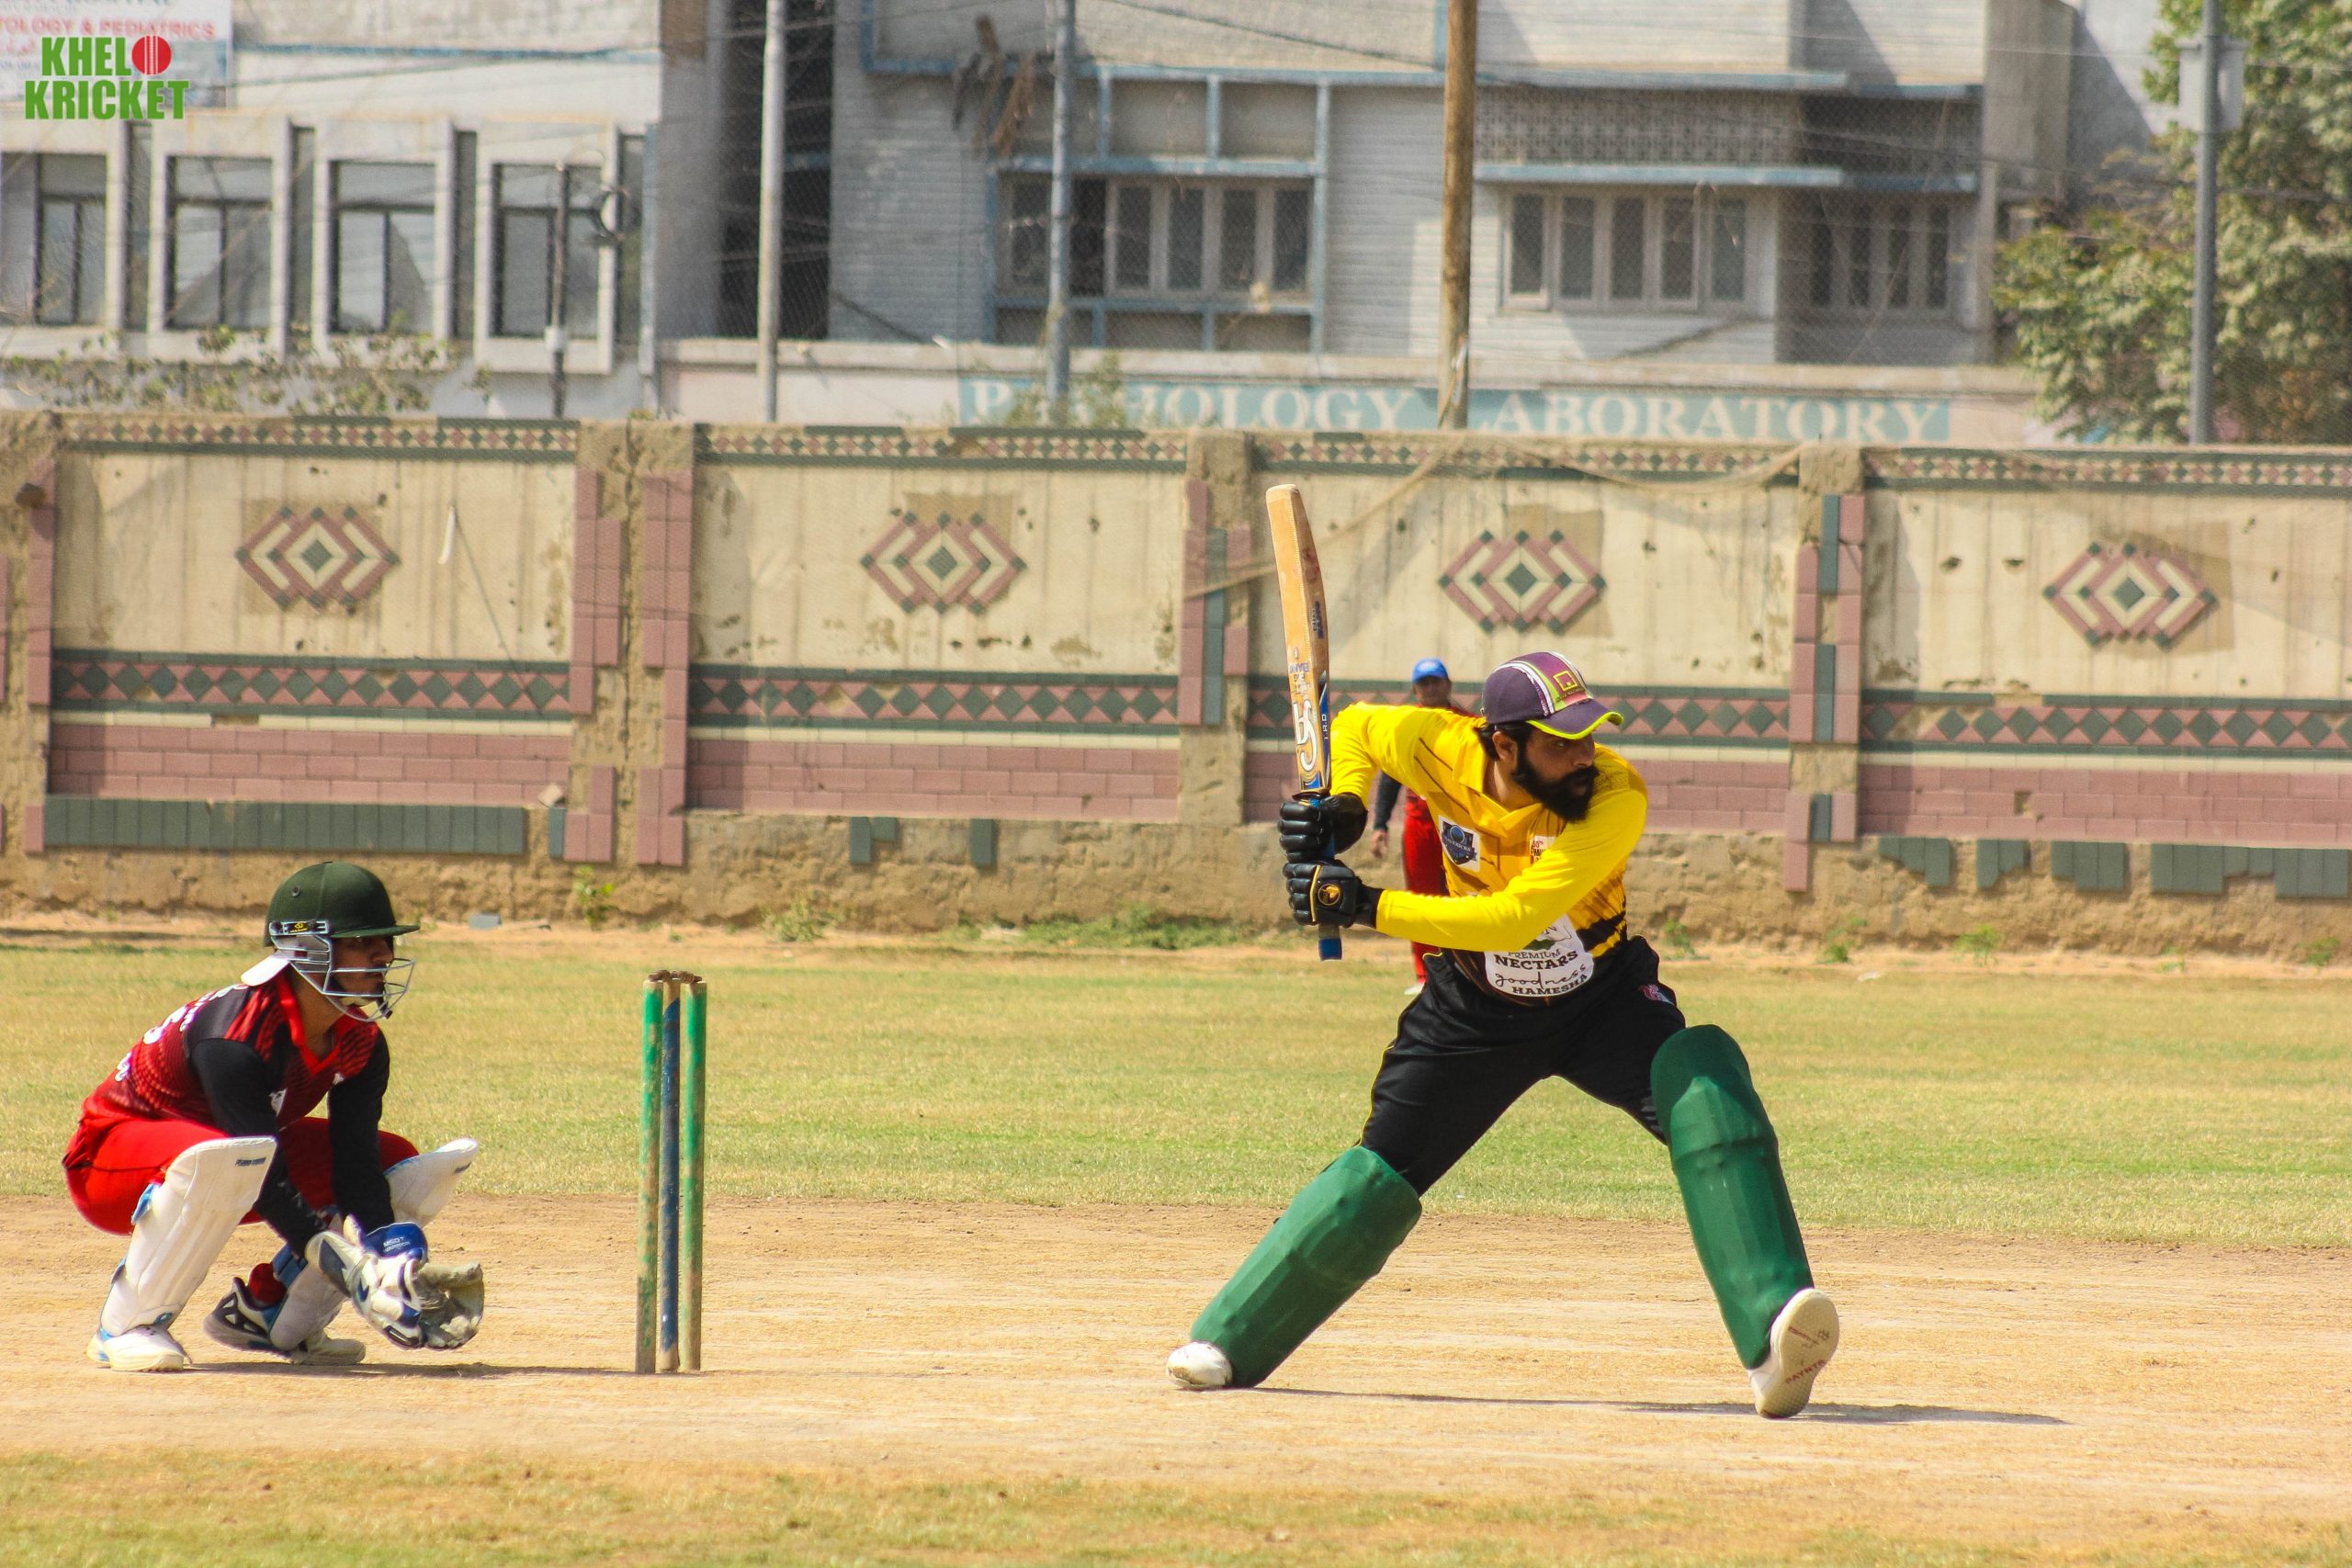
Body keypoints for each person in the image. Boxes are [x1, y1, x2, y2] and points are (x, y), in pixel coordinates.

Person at [1168, 652, 1838, 1417]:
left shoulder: (1614, 794)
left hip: (1601, 999)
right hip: (1473, 1010)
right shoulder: (1439, 745)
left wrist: (1364, 905)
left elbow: (1516, 917)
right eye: (1562, 743)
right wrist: (1346, 804)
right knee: (1382, 1166)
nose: (1585, 756)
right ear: (1505, 744)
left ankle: (1775, 1337)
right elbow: (1352, 726)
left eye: (1589, 736)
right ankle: (1232, 1338)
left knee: (1704, 1083)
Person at [62, 862, 483, 1371]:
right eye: (362, 941)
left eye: (385, 940)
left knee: (393, 1159)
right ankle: (126, 1326)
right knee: (231, 1157)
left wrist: (393, 1259)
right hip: (112, 1163)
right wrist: (350, 1270)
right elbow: (262, 1175)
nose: (384, 955)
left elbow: (355, 1167)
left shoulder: (361, 1041)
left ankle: (274, 1316)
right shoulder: (236, 1036)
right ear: (307, 948)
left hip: (232, 1157)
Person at [1368, 657, 1474, 996]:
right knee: (1422, 895)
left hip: (1459, 822)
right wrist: (1380, 824)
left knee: (1462, 896)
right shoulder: (1405, 723)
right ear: (1416, 689)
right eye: (1423, 683)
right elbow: (1390, 776)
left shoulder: (1469, 724)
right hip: (1420, 822)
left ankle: (1467, 971)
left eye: (1435, 681)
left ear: (1448, 684)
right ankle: (1426, 974)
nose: (1430, 688)